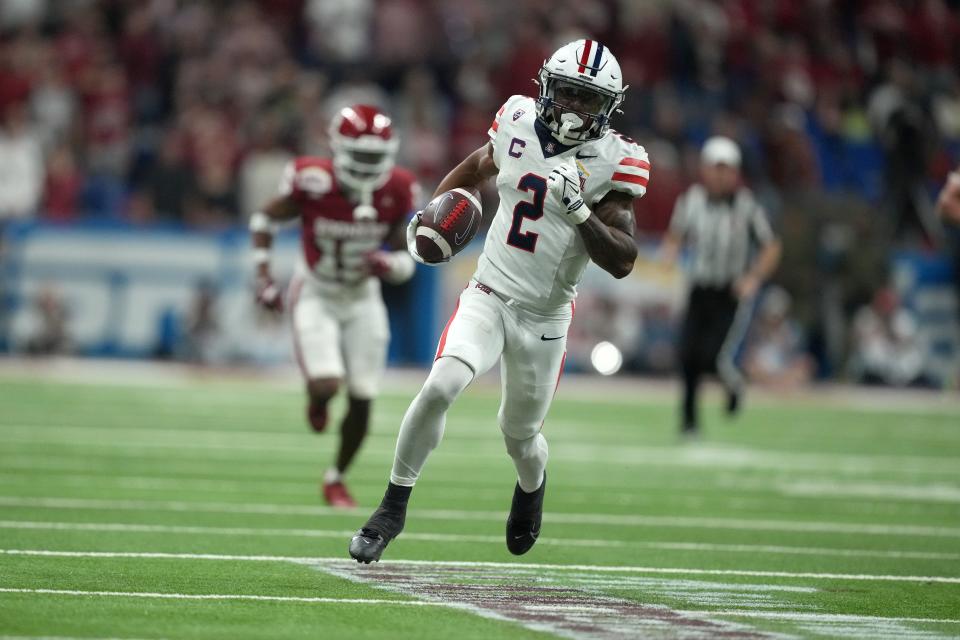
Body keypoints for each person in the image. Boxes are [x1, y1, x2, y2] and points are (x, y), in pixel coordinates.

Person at [349, 39, 648, 563]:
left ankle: (531, 488)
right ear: (547, 90)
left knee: (520, 435)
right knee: (442, 382)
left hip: (546, 315)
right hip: (489, 291)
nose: (576, 108)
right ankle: (391, 506)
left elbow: (623, 259)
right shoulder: (515, 119)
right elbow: (476, 167)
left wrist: (579, 210)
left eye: (589, 100)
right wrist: (432, 216)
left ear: (608, 107)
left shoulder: (615, 161)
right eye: (570, 94)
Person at [250, 104, 419, 508]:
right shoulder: (311, 179)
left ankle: (336, 477)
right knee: (328, 384)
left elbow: (407, 253)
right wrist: (263, 278)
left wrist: (390, 264)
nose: (365, 165)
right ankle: (318, 398)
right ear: (338, 149)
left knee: (363, 396)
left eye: (373, 157)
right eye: (359, 155)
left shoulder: (398, 188)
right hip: (317, 292)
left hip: (363, 297)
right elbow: (264, 219)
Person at [659, 136, 781, 436]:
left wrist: (752, 277)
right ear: (704, 170)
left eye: (726, 169)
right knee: (687, 356)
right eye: (715, 168)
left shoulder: (747, 206)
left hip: (729, 292)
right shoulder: (691, 201)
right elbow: (675, 236)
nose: (720, 175)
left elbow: (771, 246)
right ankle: (689, 422)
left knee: (712, 357)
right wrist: (670, 255)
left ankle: (734, 384)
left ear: (736, 173)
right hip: (699, 288)